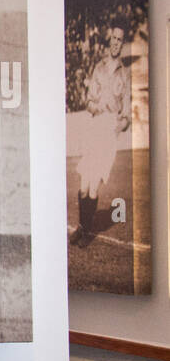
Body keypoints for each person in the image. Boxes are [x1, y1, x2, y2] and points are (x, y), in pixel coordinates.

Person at [71, 26, 130, 246]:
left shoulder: (124, 75)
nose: (116, 42)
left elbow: (126, 114)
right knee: (84, 184)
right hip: (95, 125)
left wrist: (117, 126)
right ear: (109, 41)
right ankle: (82, 227)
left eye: (120, 39)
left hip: (108, 130)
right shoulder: (99, 68)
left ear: (122, 44)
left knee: (94, 186)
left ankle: (86, 233)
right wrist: (96, 107)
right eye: (114, 38)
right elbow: (89, 100)